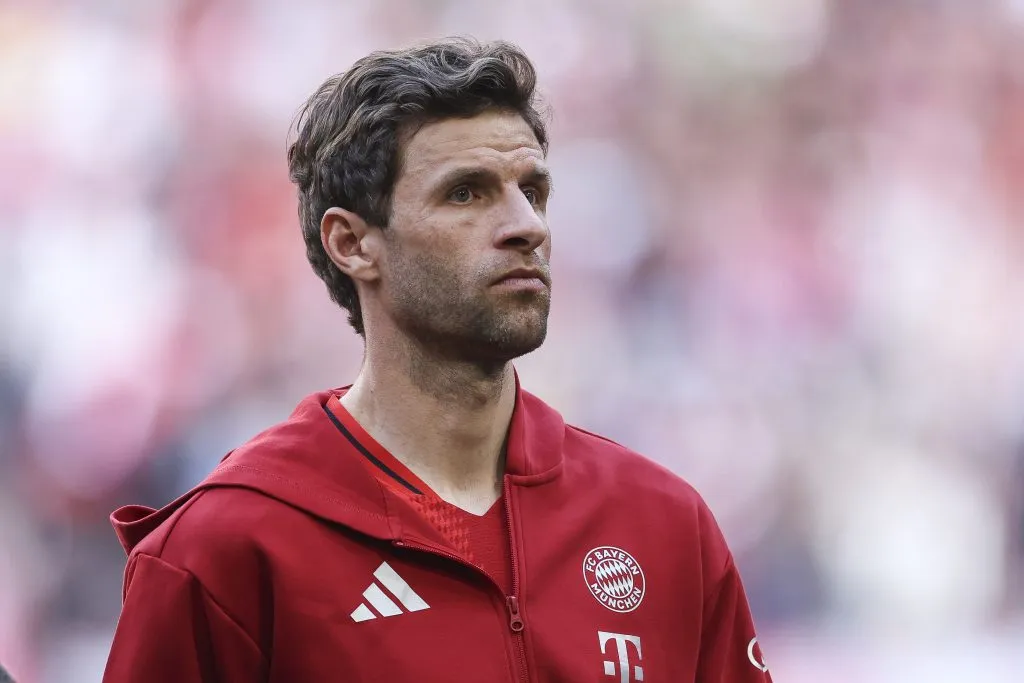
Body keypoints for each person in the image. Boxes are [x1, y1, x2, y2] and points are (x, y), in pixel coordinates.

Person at [102, 37, 773, 683]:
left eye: (532, 190)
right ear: (352, 243)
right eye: (466, 193)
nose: (527, 226)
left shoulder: (661, 522)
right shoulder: (226, 548)